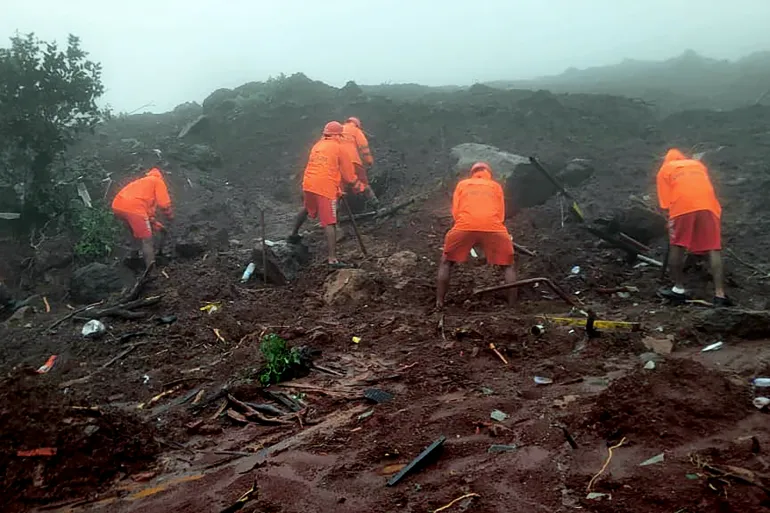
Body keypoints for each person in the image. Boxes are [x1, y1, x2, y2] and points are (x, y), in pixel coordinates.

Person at [656, 148, 732, 306]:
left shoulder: (665, 169)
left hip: (682, 206)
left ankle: (678, 290)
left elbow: (665, 203)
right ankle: (720, 295)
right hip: (709, 206)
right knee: (713, 248)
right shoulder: (697, 165)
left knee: (677, 245)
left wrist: (669, 221)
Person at [436, 162, 516, 309]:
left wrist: (469, 229)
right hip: (494, 227)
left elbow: (456, 211)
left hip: (464, 225)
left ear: (472, 173)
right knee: (508, 265)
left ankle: (439, 303)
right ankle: (512, 306)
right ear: (489, 173)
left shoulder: (462, 185)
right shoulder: (496, 186)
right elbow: (500, 213)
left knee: (446, 262)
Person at [288, 121, 363, 268]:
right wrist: (359, 187)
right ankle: (332, 259)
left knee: (307, 208)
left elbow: (325, 168)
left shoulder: (318, 145)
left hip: (309, 184)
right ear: (339, 135)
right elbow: (348, 175)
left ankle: (293, 235)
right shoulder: (339, 148)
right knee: (330, 222)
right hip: (324, 187)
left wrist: (338, 189)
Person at [112, 167, 173, 269]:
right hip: (134, 208)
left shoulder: (143, 183)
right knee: (147, 240)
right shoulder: (157, 181)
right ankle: (151, 269)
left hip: (118, 205)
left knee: (134, 233)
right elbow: (164, 204)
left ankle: (134, 259)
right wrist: (170, 216)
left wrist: (155, 224)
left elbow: (145, 215)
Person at [343, 117, 379, 207]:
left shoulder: (337, 130)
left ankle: (337, 213)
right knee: (364, 183)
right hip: (353, 161)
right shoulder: (356, 131)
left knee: (340, 189)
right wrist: (369, 161)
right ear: (357, 125)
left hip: (338, 163)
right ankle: (376, 204)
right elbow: (364, 148)